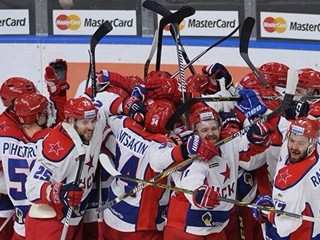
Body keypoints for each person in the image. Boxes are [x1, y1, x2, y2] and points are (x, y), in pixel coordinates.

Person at [25, 89, 146, 239]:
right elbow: (31, 186)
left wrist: (125, 104)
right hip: (50, 222)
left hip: (74, 217)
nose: (91, 127)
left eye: (93, 121)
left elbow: (103, 100)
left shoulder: (93, 122)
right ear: (70, 121)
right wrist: (56, 192)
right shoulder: (58, 147)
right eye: (85, 123)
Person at [163, 101, 273, 239]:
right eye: (204, 130)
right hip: (186, 228)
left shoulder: (229, 142)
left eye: (214, 128)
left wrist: (256, 136)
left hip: (216, 227)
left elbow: (247, 145)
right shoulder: (192, 152)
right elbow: (190, 178)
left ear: (220, 127)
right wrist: (198, 192)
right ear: (195, 132)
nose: (211, 134)